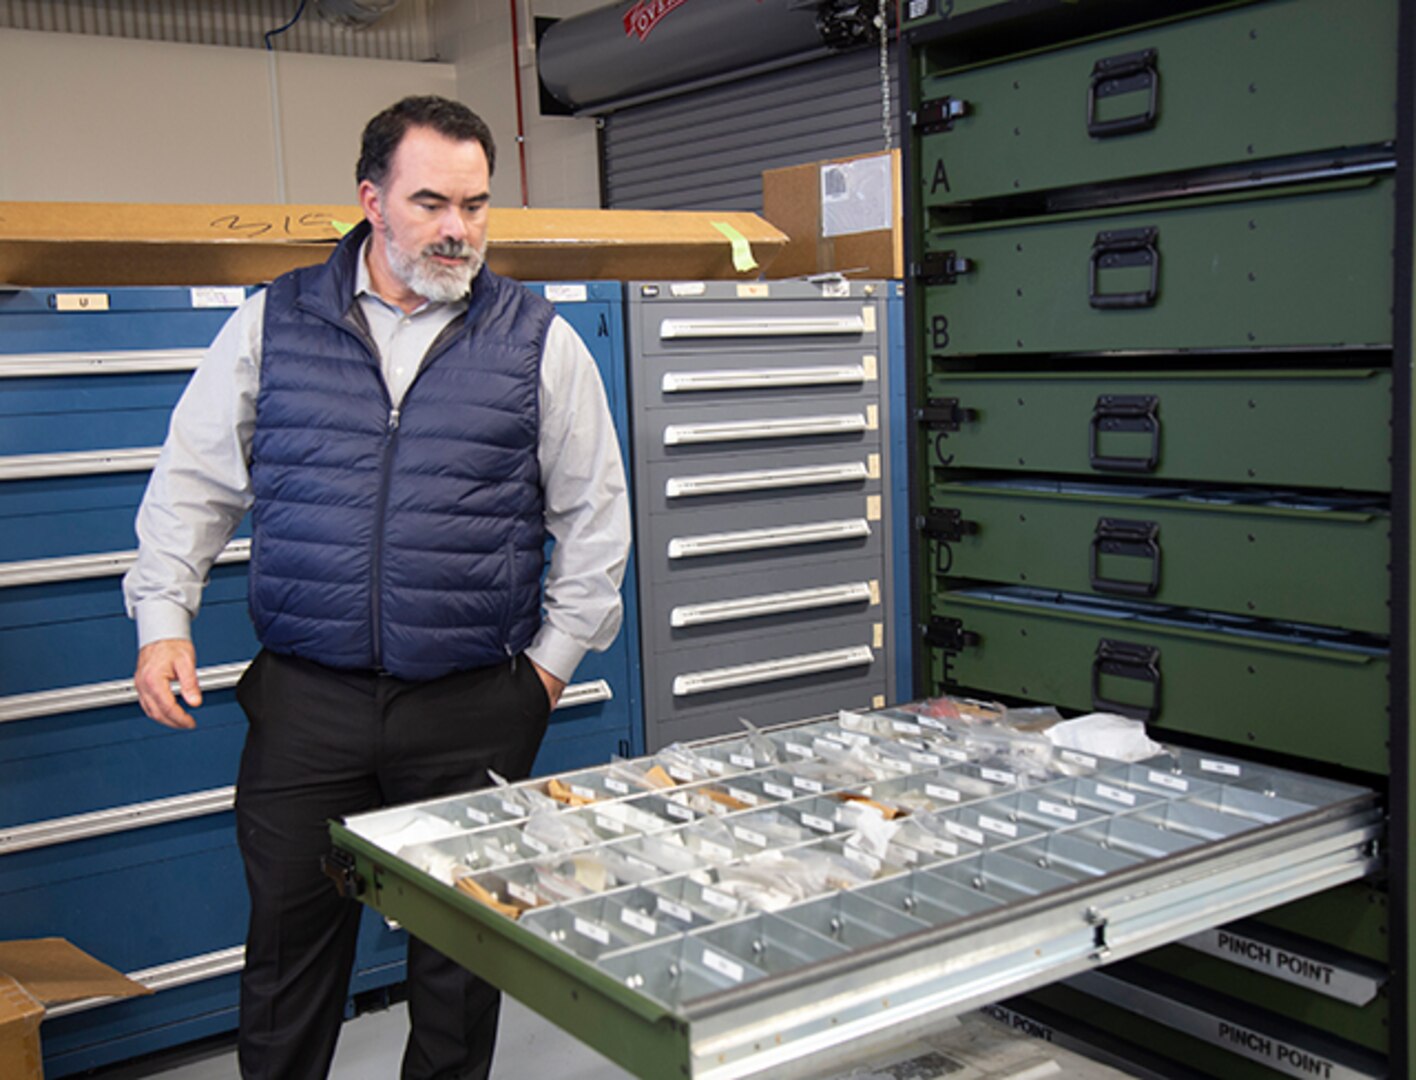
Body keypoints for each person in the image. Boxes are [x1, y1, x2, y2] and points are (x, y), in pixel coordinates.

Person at [122, 95, 631, 1080]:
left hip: (473, 706)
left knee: (459, 969)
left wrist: (547, 674)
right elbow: (192, 481)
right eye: (432, 201)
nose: (458, 230)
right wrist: (162, 618)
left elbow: (596, 519)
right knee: (287, 956)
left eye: (477, 206)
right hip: (308, 705)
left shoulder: (537, 340)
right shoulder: (276, 322)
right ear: (371, 199)